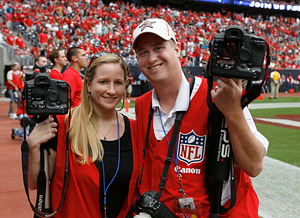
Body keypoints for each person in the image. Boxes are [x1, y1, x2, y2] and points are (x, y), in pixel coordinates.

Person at [132, 18, 269, 217]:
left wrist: (232, 110)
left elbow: (254, 165)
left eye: (158, 47)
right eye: (143, 52)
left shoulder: (216, 93)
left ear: (176, 49)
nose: (151, 58)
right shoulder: (142, 105)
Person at [27, 53, 138, 218]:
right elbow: (36, 183)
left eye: (118, 83)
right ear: (88, 85)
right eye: (103, 82)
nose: (111, 90)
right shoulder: (64, 125)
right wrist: (34, 147)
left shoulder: (135, 129)